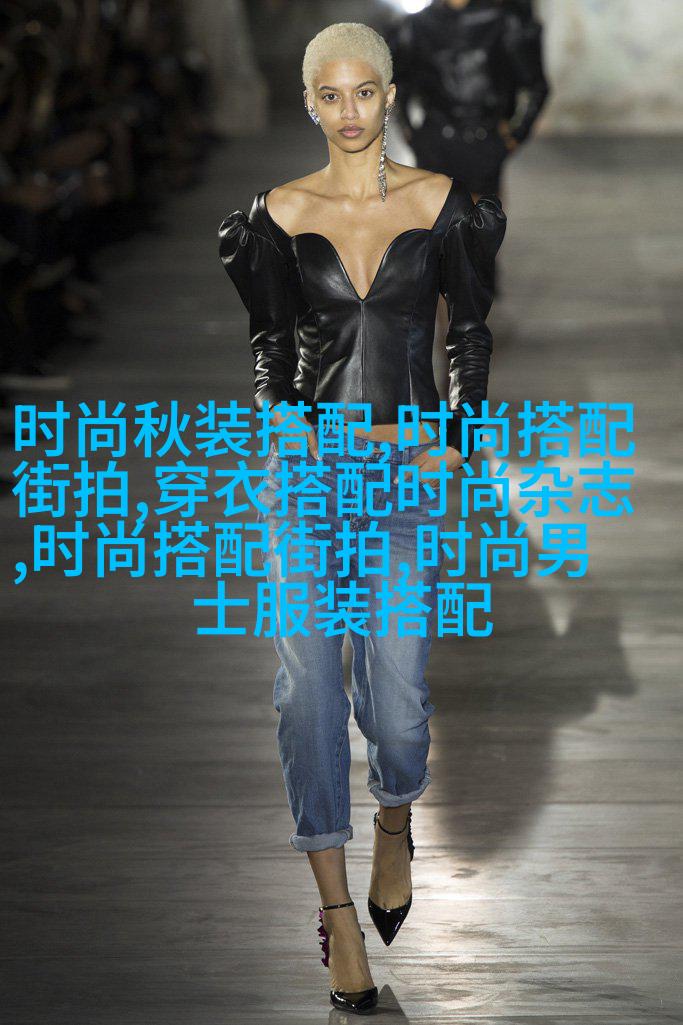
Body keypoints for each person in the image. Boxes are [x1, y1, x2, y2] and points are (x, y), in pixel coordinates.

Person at [217, 22, 505, 1015]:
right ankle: (337, 915)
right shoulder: (276, 215)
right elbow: (269, 344)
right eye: (329, 96)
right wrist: (277, 418)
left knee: (398, 705)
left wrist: (458, 433)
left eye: (364, 92)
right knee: (305, 691)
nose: (348, 112)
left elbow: (468, 331)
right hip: (305, 476)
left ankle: (393, 818)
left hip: (402, 478)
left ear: (389, 93)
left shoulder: (443, 207)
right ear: (309, 103)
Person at [387, 0, 550, 199]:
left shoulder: (504, 21)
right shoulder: (416, 25)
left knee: (481, 214)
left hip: (483, 140)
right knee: (434, 213)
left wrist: (516, 135)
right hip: (435, 140)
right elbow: (397, 83)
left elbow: (536, 85)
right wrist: (408, 130)